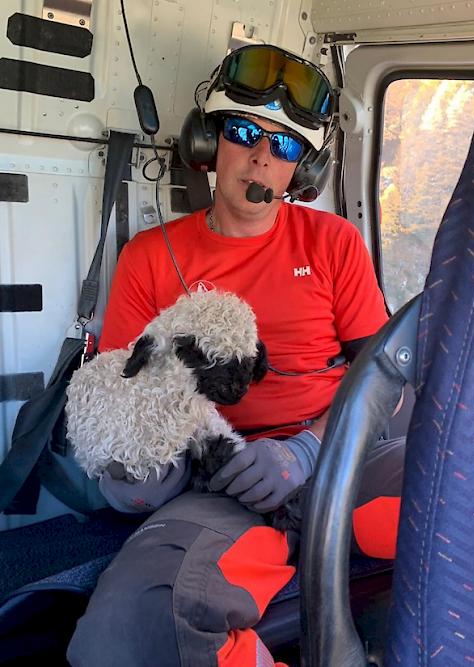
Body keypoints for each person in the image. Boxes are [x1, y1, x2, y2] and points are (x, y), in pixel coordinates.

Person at [67, 43, 405, 667]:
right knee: (124, 636)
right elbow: (122, 392)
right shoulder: (149, 256)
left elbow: (384, 379)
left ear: (301, 170)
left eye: (285, 146)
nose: (261, 156)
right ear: (208, 142)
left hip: (342, 459)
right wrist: (148, 463)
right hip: (216, 484)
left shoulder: (334, 242)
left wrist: (308, 449)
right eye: (246, 131)